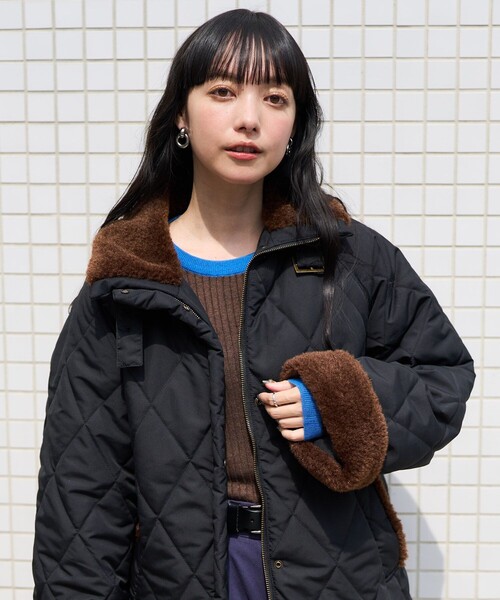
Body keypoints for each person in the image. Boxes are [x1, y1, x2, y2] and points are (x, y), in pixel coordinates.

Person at [32, 9, 475, 600]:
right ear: (181, 113)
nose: (249, 118)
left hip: (336, 577)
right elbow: (80, 496)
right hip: (178, 580)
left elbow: (444, 378)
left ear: (295, 125)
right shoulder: (123, 286)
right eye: (223, 91)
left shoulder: (350, 257)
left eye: (275, 98)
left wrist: (340, 404)